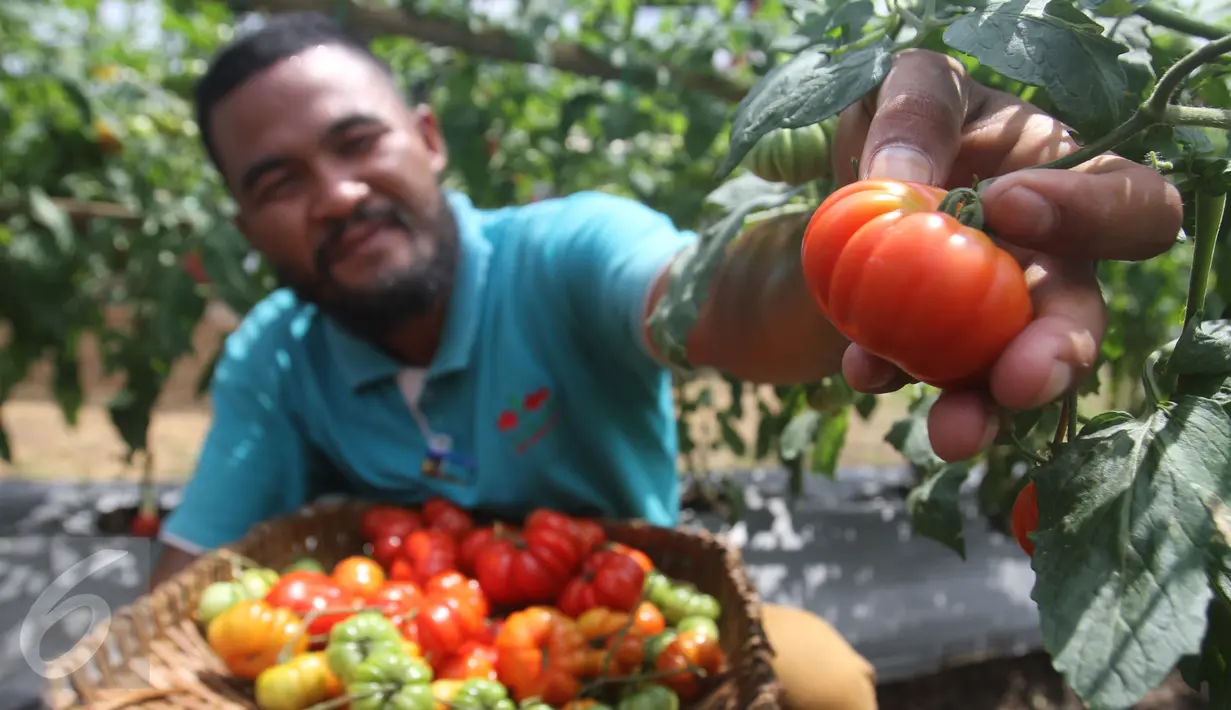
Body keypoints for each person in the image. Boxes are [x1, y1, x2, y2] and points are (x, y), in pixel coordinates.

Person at [150, 11, 1182, 710]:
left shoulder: (560, 253)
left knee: (823, 679)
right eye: (279, 179)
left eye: (356, 142)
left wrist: (856, 253)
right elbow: (184, 596)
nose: (334, 195)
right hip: (428, 647)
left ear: (427, 138)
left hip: (632, 625)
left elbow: (715, 299)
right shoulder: (274, 357)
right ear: (245, 221)